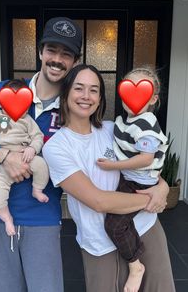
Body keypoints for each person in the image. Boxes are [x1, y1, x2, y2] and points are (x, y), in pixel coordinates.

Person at [0, 17, 83, 292]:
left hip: (42, 216)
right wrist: (4, 156)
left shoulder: (73, 105)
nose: (57, 59)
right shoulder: (7, 92)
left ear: (75, 61)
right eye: (52, 50)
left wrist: (153, 181)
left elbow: (95, 147)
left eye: (66, 54)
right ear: (40, 51)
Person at [42, 64, 175, 292]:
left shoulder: (112, 130)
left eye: (94, 90)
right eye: (79, 88)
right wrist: (152, 199)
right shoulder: (56, 147)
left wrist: (162, 187)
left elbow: (147, 167)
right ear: (65, 93)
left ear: (101, 97)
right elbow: (98, 201)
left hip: (145, 228)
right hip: (100, 242)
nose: (86, 96)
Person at [96, 67, 168, 292]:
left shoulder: (146, 123)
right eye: (128, 90)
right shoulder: (123, 121)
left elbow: (145, 159)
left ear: (153, 98)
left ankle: (136, 266)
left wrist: (113, 166)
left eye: (141, 91)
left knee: (114, 225)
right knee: (120, 221)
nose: (132, 97)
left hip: (139, 182)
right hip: (130, 180)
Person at [0, 79, 50, 238]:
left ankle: (37, 189)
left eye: (24, 105)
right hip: (1, 164)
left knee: (41, 165)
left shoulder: (27, 121)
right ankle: (7, 219)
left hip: (24, 155)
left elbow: (38, 136)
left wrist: (32, 148)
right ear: (1, 104)